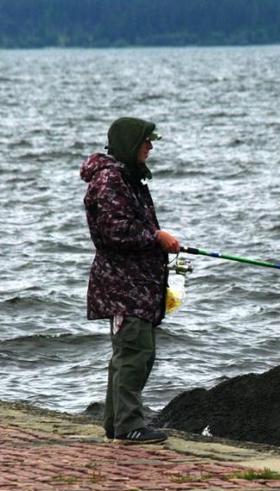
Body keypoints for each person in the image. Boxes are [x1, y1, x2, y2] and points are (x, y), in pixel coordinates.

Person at [80, 117, 180, 444]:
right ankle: (129, 426)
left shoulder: (127, 178)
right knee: (134, 355)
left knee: (133, 354)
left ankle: (117, 424)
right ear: (130, 144)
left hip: (135, 285)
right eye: (146, 142)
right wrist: (157, 237)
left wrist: (159, 241)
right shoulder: (111, 181)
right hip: (124, 287)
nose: (150, 147)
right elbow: (115, 231)